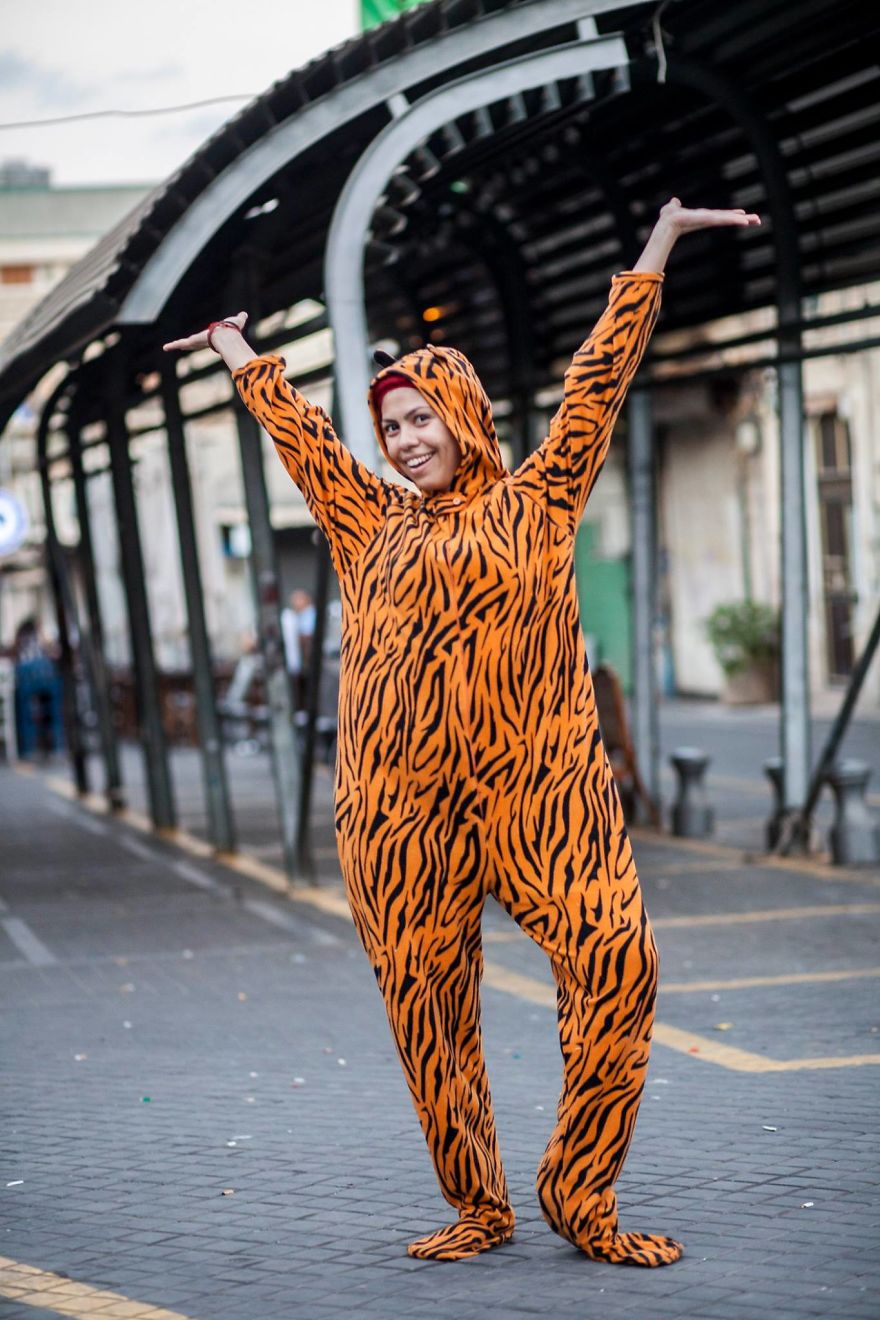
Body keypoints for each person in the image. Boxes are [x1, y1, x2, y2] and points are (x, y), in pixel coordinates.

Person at [165, 198, 760, 1267]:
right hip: (398, 813)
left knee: (618, 962)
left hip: (543, 793)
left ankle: (580, 1194)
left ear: (464, 415)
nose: (403, 442)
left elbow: (596, 381)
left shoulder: (539, 500)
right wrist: (239, 354)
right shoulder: (366, 518)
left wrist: (660, 241)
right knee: (428, 1013)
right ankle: (478, 1204)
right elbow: (302, 439)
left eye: (419, 420)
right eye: (390, 427)